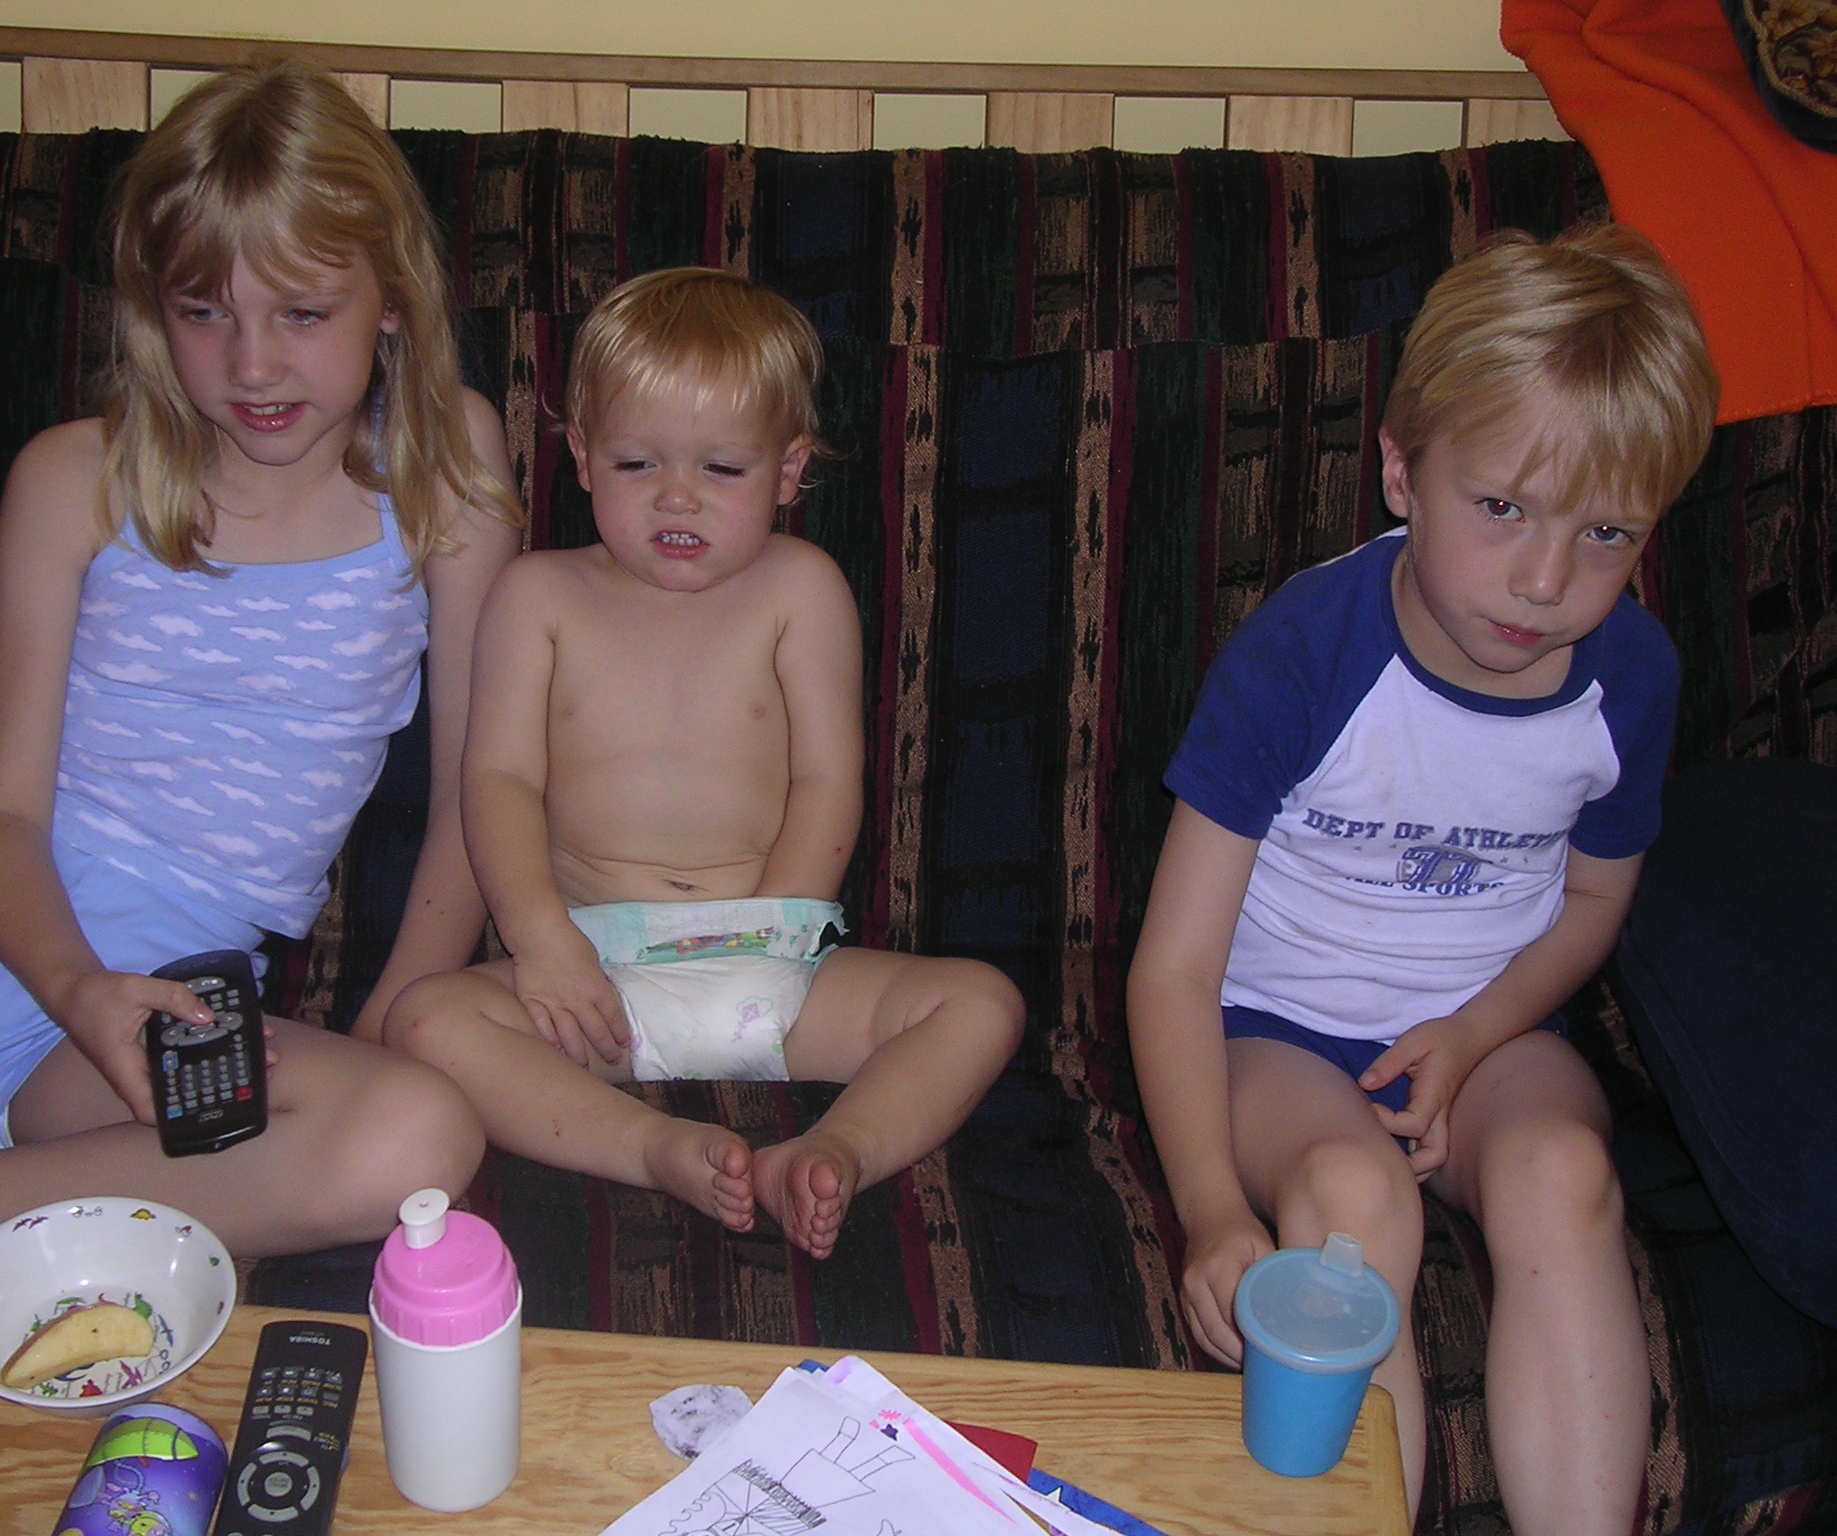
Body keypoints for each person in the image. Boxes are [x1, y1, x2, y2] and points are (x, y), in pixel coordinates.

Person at [0, 59, 522, 1260]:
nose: (251, 365)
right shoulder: (79, 476)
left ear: (391, 298)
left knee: (412, 1133)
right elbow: (3, 815)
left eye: (301, 313)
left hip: (157, 1014)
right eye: (203, 313)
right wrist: (76, 990)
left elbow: (471, 792)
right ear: (151, 310)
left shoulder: (446, 473)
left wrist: (398, 1009)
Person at [1126, 224, 1718, 1534]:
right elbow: (1173, 967)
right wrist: (1212, 1211)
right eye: (1500, 508)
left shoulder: (1632, 678)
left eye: (1605, 533)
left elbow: (1594, 901)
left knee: (1564, 1171)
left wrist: (1471, 1033)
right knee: (1351, 1200)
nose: (1545, 580)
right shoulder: (1302, 652)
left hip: (1493, 1031)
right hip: (1276, 1033)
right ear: (1402, 470)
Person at [380, 267, 1025, 1261]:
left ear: (787, 470)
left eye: (722, 470)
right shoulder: (535, 597)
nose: (675, 497)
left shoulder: (801, 590)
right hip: (594, 978)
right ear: (582, 457)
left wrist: (772, 933)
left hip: (771, 952)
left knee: (981, 1004)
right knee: (426, 1022)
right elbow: (498, 782)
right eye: (636, 463)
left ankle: (834, 1150)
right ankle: (651, 1149)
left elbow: (826, 779)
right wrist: (541, 939)